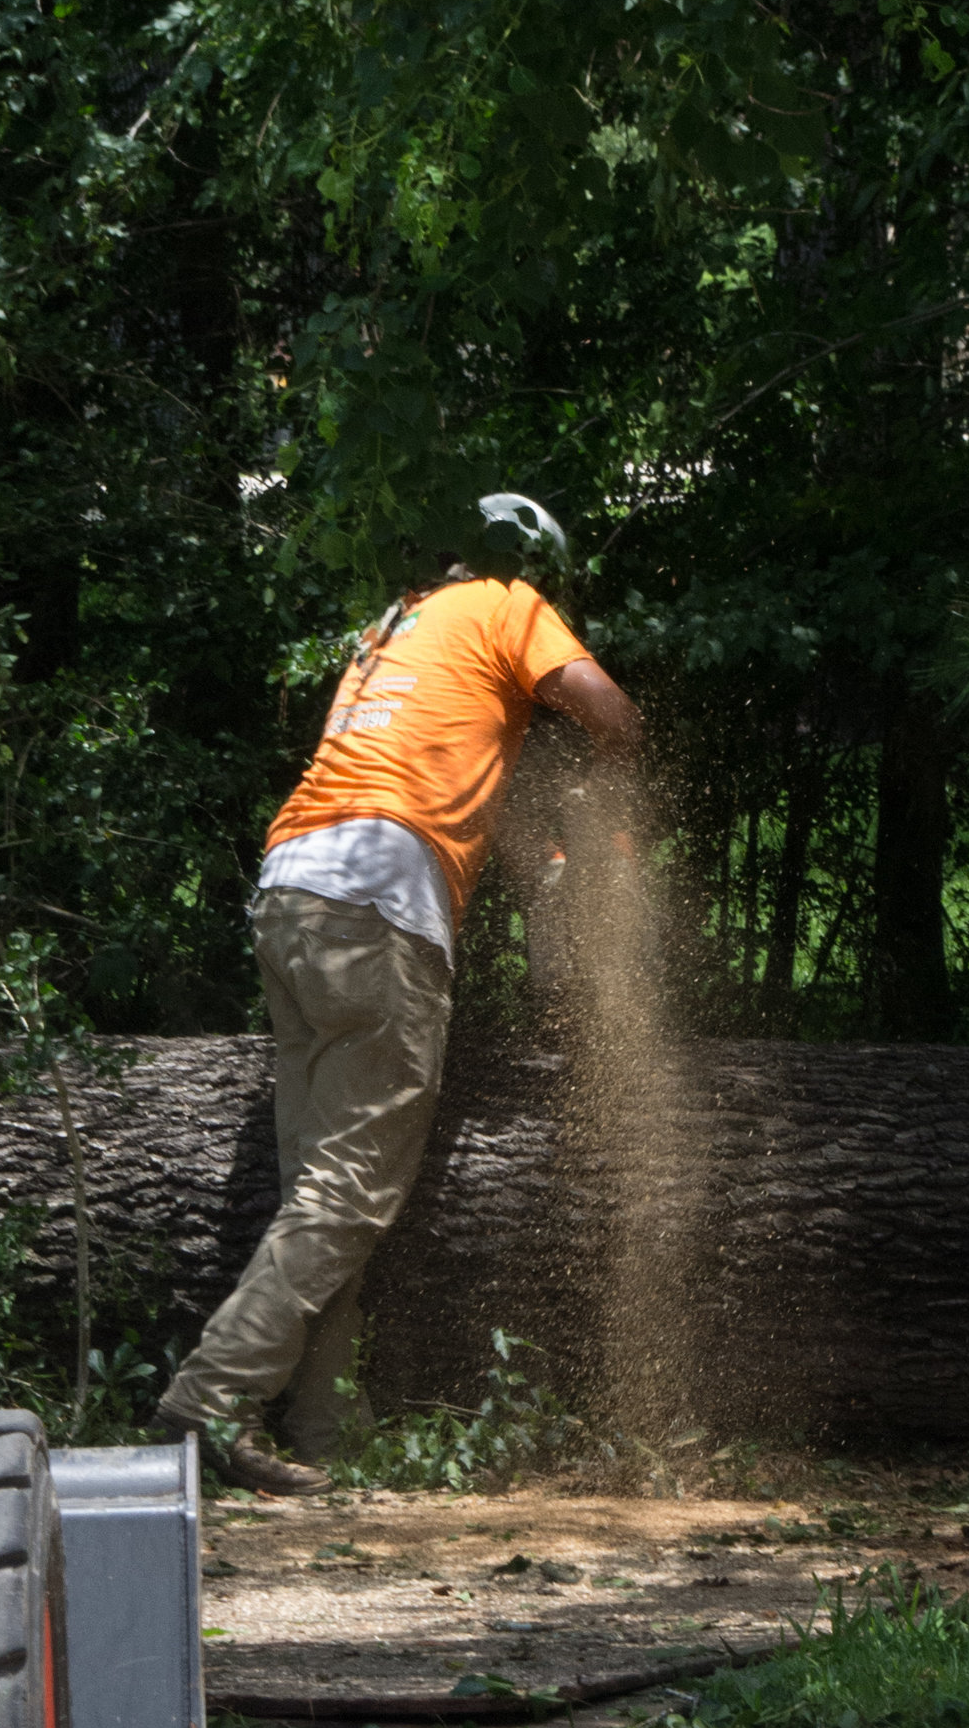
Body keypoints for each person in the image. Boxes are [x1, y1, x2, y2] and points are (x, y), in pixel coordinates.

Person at [151, 488, 642, 1494]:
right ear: (527, 567)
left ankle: (327, 1424)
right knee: (351, 1188)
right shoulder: (509, 603)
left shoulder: (398, 633)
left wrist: (552, 852)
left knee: (319, 1186)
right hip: (376, 907)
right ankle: (203, 1403)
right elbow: (610, 711)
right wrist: (612, 780)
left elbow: (470, 802)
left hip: (293, 890)